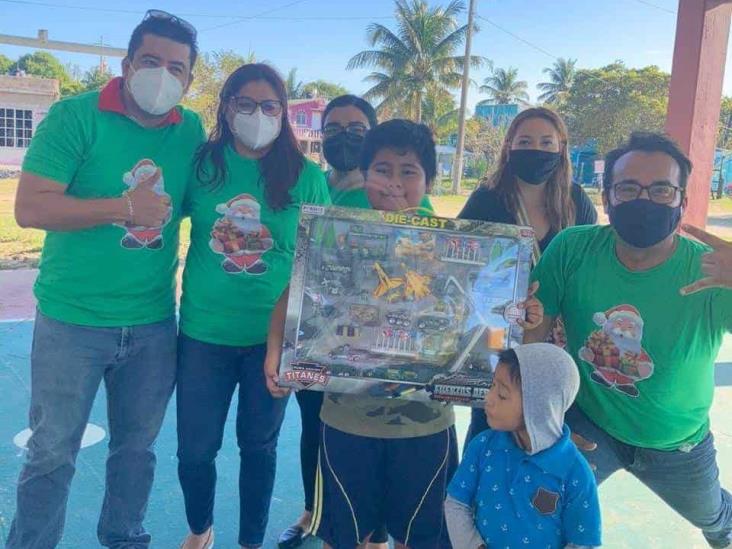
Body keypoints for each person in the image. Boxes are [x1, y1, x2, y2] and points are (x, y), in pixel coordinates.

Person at [264, 119, 544, 549]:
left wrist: (517, 313)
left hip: (425, 428)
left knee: (422, 537)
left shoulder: (464, 248)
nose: (395, 183)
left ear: (429, 179)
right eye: (382, 169)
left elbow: (488, 316)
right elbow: (293, 294)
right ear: (364, 173)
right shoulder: (335, 237)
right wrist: (273, 354)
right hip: (345, 422)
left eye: (409, 171)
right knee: (347, 537)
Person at [7, 11, 202, 549]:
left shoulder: (191, 131)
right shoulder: (75, 116)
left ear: (189, 79)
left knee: (137, 450)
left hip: (153, 322)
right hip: (72, 320)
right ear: (126, 63)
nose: (162, 74)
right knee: (52, 451)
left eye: (176, 67)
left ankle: (124, 539)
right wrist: (122, 207)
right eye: (151, 61)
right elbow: (30, 207)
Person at [524, 132, 732, 547]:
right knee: (538, 513)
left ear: (682, 202)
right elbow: (533, 344)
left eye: (661, 189)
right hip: (589, 422)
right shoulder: (572, 249)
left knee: (716, 520)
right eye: (628, 188)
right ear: (607, 198)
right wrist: (544, 427)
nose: (645, 199)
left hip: (677, 445)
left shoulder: (713, 272)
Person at [176, 63, 331, 549]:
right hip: (203, 334)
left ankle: (250, 542)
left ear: (283, 113)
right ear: (226, 107)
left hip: (272, 342)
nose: (258, 114)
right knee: (195, 451)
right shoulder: (202, 165)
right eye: (246, 103)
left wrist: (290, 341)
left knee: (259, 448)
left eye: (270, 106)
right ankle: (201, 530)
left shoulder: (305, 176)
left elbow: (321, 261)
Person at [278, 94, 384, 549]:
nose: (345, 137)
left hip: (369, 338)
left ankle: (372, 532)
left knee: (367, 436)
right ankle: (313, 512)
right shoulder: (313, 183)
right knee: (313, 429)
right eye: (335, 129)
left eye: (357, 129)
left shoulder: (385, 191)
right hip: (312, 334)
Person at [458, 107, 597, 444]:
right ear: (509, 147)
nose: (536, 149)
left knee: (551, 431)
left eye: (546, 142)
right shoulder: (486, 199)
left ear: (561, 148)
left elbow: (590, 266)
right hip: (498, 337)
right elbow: (458, 260)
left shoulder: (576, 200)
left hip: (559, 343)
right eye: (525, 141)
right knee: (492, 426)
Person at [445, 344, 601, 549]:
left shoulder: (574, 472)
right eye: (492, 386)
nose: (488, 399)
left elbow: (583, 543)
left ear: (539, 408)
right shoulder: (483, 447)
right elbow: (456, 502)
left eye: (502, 395)